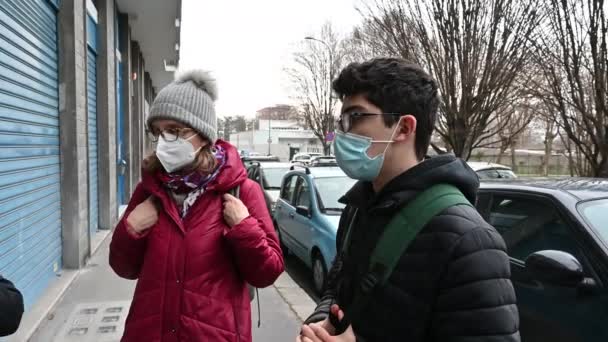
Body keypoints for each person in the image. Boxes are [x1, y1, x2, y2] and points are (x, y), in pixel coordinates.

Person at [297, 58, 519, 342]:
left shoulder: (469, 240)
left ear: (403, 128)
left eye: (355, 117)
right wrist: (320, 324)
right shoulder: (358, 206)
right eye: (341, 121)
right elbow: (338, 286)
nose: (342, 133)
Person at [110, 70, 284, 342]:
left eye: (175, 131)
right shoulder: (149, 190)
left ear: (203, 136)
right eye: (159, 132)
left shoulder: (242, 191)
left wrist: (243, 228)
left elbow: (268, 272)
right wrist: (130, 229)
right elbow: (124, 268)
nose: (164, 141)